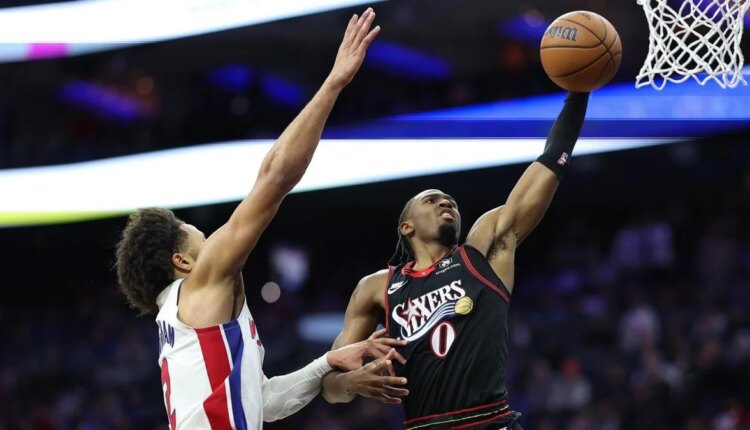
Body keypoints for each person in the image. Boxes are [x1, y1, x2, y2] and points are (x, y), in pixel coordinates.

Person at [115, 9, 407, 429]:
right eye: (200, 237)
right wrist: (334, 82)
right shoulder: (201, 285)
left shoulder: (187, 326)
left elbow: (264, 401)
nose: (213, 240)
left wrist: (327, 362)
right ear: (183, 261)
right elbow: (275, 178)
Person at [321, 91, 591, 429]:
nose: (445, 203)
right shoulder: (377, 287)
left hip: (491, 421)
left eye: (450, 202)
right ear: (407, 226)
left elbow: (548, 164)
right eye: (431, 200)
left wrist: (579, 94)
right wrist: (350, 383)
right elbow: (329, 384)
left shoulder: (482, 252)